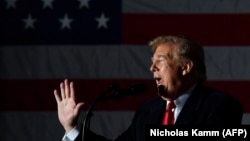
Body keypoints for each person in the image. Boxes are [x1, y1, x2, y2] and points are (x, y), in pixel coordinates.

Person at [54, 35, 243, 141]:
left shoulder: (220, 106)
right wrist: (71, 128)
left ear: (185, 68)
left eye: (160, 61)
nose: (152, 69)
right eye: (152, 62)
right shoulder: (149, 110)